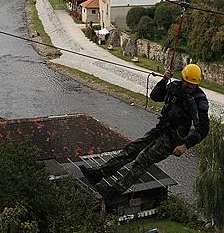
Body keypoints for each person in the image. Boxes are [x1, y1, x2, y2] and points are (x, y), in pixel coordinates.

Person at [81, 63, 210, 204]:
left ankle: (113, 191)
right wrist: (164, 79)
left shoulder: (199, 99)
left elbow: (203, 129)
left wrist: (185, 146)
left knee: (143, 159)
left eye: (193, 85)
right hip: (162, 128)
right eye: (187, 83)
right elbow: (155, 96)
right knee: (132, 149)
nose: (190, 87)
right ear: (183, 79)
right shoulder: (175, 87)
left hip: (173, 140)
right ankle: (99, 174)